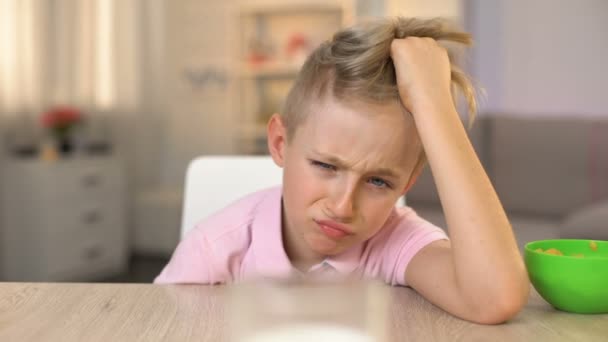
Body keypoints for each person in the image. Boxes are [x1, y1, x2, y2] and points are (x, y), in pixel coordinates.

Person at [155, 17, 529, 324]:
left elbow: (495, 297)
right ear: (280, 143)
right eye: (325, 165)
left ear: (408, 183)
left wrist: (434, 104)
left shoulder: (393, 241)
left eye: (379, 181)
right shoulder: (214, 249)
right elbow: (155, 328)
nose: (343, 206)